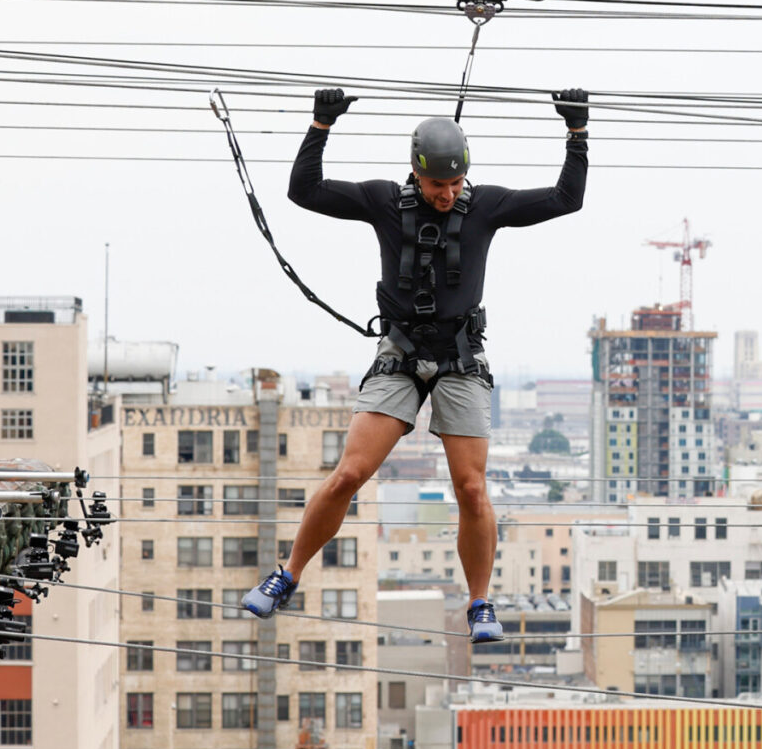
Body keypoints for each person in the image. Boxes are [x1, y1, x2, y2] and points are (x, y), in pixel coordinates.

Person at [241, 86, 589, 640]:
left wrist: (576, 133)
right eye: (436, 184)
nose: (448, 195)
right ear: (415, 173)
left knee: (471, 489)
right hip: (400, 356)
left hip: (461, 358)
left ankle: (480, 603)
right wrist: (320, 125)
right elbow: (303, 191)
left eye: (455, 183)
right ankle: (286, 575)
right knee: (350, 474)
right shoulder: (383, 201)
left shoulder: (488, 206)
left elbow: (564, 199)